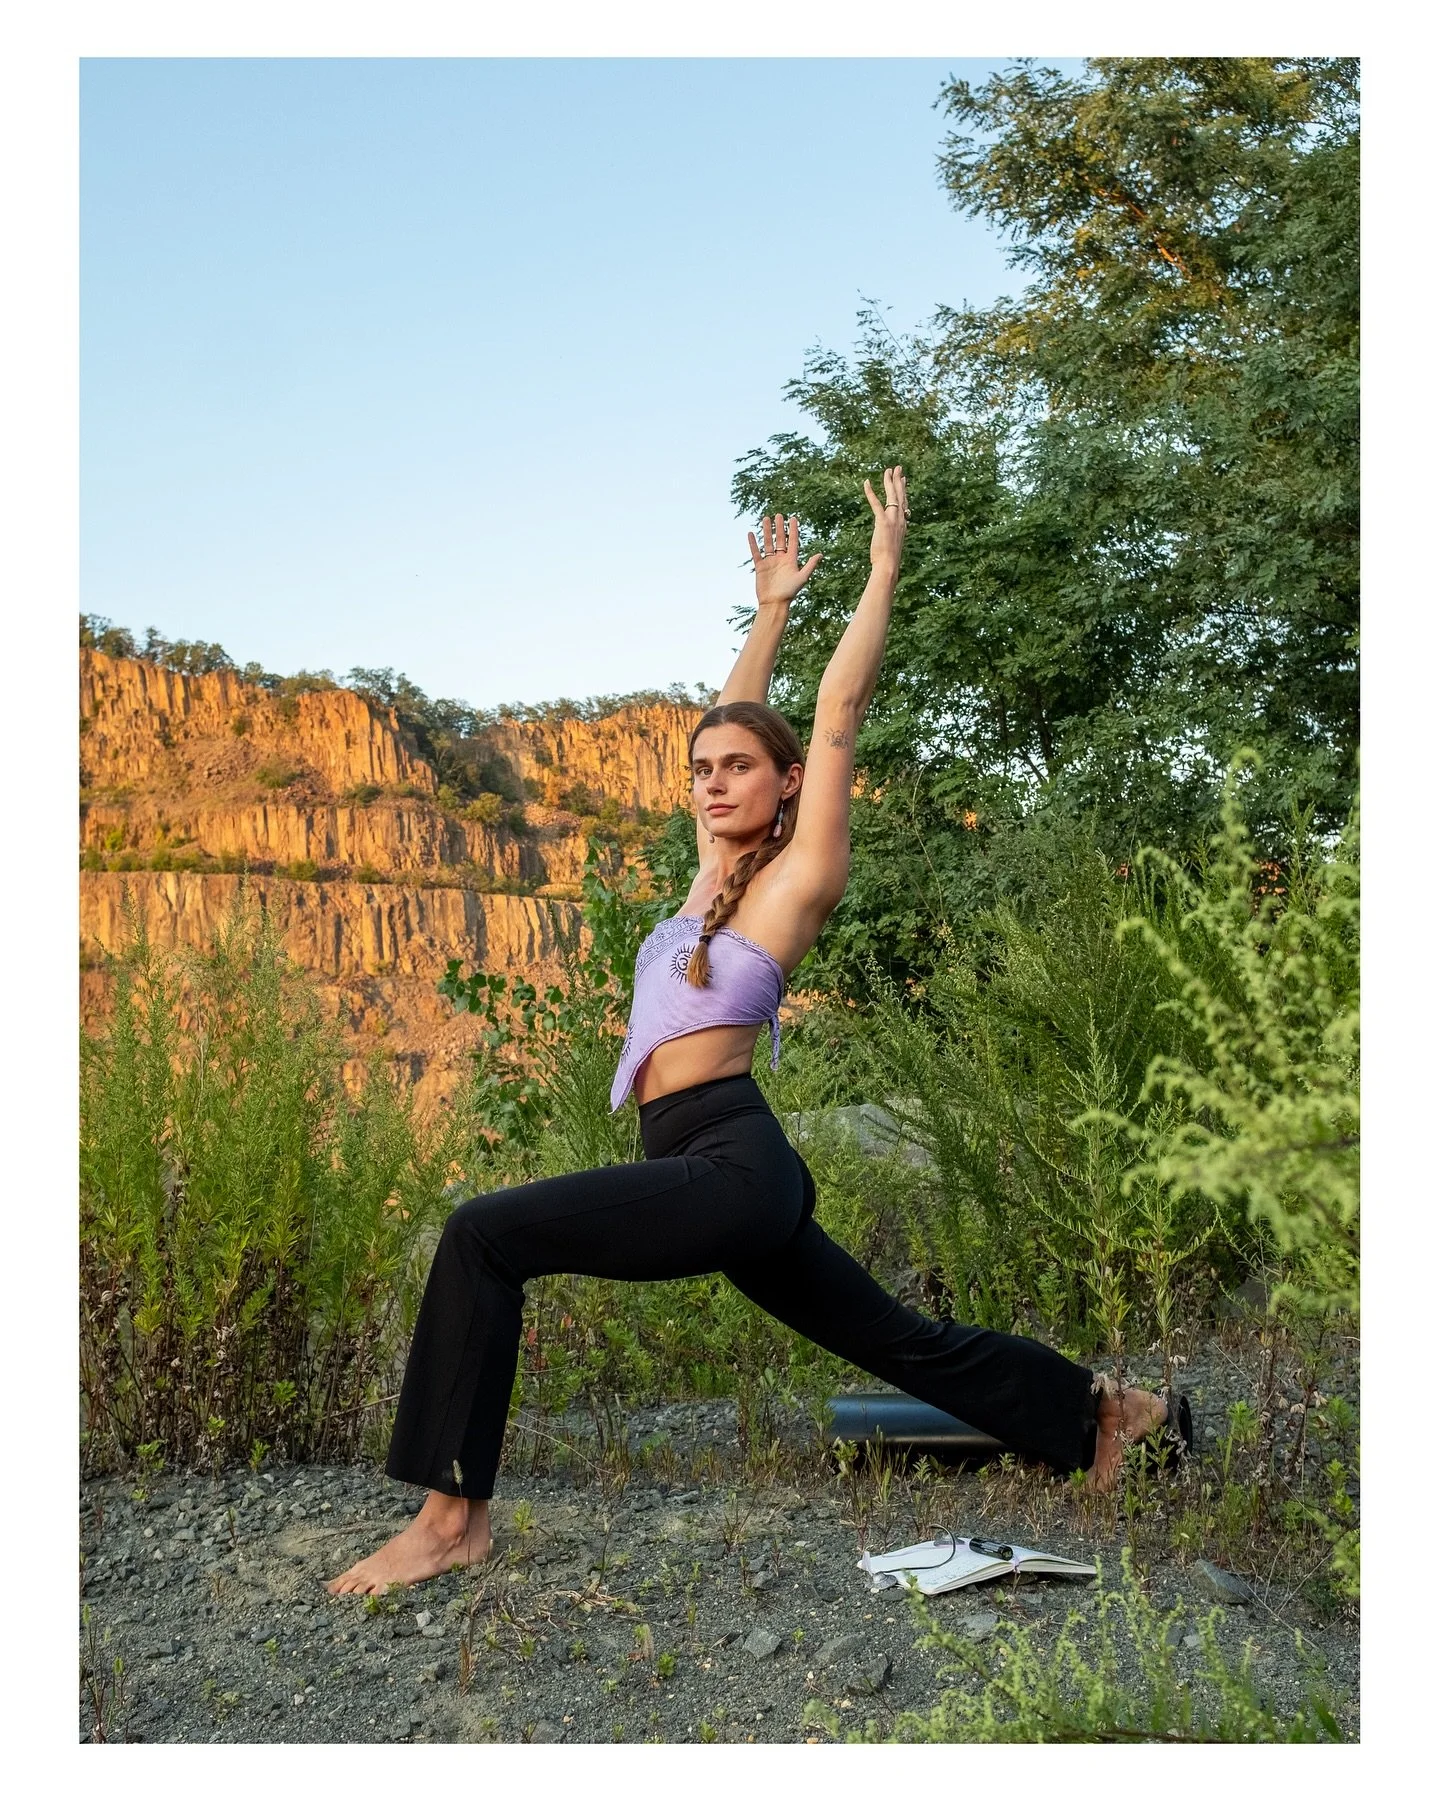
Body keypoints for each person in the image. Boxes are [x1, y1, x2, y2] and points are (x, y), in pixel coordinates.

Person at [328, 468, 1186, 1596]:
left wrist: (878, 575)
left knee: (483, 1236)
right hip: (707, 1159)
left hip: (729, 1160)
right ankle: (1116, 1415)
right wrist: (769, 609)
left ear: (789, 785)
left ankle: (449, 1521)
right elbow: (731, 720)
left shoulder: (795, 881)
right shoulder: (708, 883)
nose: (712, 783)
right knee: (899, 1342)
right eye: (699, 771)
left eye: (739, 769)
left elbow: (833, 718)